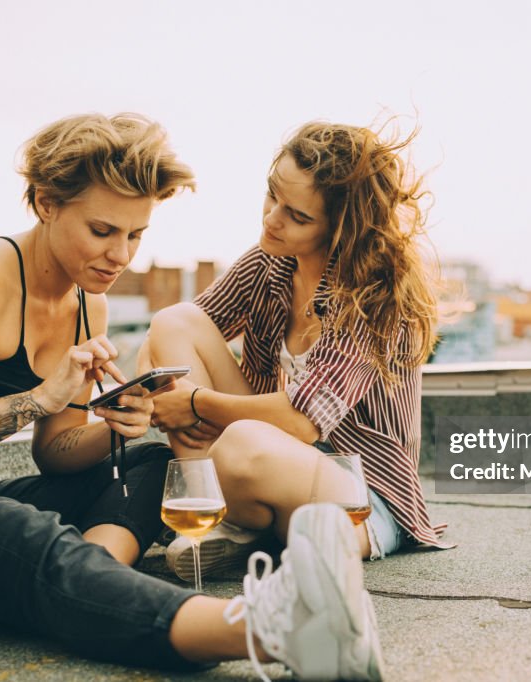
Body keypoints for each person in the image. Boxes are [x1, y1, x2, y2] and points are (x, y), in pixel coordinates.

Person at [0, 113, 384, 680]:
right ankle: (274, 630)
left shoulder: (88, 302)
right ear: (46, 203)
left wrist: (115, 423)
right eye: (102, 230)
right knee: (27, 540)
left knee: (150, 464)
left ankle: (85, 589)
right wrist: (38, 400)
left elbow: (54, 453)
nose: (121, 255)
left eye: (135, 234)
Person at [141, 119, 453, 582]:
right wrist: (151, 389)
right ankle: (227, 520)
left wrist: (189, 403)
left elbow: (303, 422)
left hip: (359, 492)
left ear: (342, 229)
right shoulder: (269, 260)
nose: (272, 218)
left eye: (298, 216)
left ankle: (248, 528)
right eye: (272, 195)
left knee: (242, 443)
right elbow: (183, 338)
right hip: (269, 457)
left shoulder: (373, 296)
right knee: (172, 321)